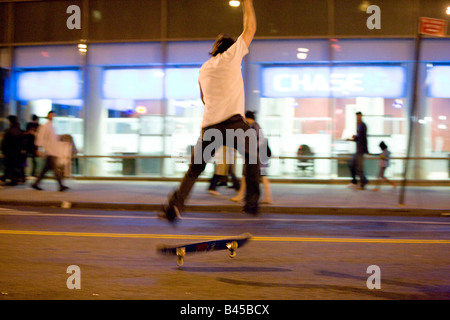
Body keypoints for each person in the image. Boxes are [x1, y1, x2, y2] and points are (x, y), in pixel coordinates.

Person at [159, 0, 258, 223]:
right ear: (230, 48)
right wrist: (247, 3)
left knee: (194, 170)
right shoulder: (232, 56)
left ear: (214, 49)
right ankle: (251, 201)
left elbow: (204, 99)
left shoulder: (204, 69)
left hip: (209, 126)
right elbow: (250, 28)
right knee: (253, 152)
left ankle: (175, 206)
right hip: (233, 123)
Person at [231, 110, 272, 204]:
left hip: (259, 155)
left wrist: (251, 146)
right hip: (257, 155)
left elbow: (261, 141)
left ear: (249, 118)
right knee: (249, 175)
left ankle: (241, 196)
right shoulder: (253, 126)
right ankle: (242, 195)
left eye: (246, 118)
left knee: (256, 175)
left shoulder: (255, 126)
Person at [31, 110, 69, 192]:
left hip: (52, 150)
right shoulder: (45, 126)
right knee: (54, 169)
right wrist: (39, 149)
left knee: (45, 169)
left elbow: (53, 139)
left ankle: (36, 183)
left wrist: (60, 137)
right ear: (48, 116)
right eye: (52, 115)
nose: (53, 117)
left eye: (54, 115)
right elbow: (40, 138)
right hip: (50, 151)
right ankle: (60, 185)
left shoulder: (51, 127)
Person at [1, 115, 25, 186]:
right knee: (14, 166)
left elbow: (5, 143)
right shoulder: (20, 131)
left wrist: (3, 151)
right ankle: (13, 179)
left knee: (9, 166)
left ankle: (10, 179)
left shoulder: (9, 131)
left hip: (9, 152)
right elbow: (22, 142)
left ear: (10, 122)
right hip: (17, 152)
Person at [347, 111, 369, 190]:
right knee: (352, 164)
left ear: (361, 116)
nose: (358, 118)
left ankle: (362, 182)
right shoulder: (359, 125)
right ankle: (356, 181)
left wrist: (366, 150)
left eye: (359, 116)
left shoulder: (363, 125)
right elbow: (359, 138)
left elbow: (364, 138)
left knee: (359, 167)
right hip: (358, 149)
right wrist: (353, 138)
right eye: (357, 116)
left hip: (361, 150)